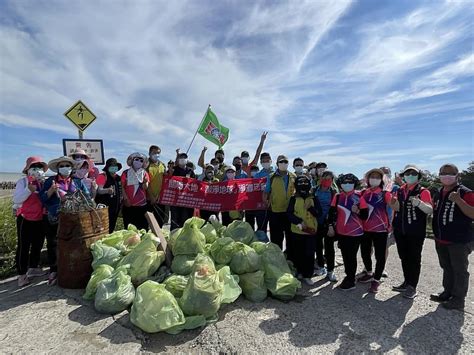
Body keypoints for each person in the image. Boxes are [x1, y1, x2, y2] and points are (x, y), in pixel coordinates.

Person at [430, 163, 474, 310]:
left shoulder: (465, 193)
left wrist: (459, 201)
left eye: (450, 173)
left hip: (459, 240)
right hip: (441, 238)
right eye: (443, 173)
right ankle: (447, 292)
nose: (446, 176)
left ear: (457, 175)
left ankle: (458, 299)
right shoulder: (438, 192)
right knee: (446, 267)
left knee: (459, 270)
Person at [40, 156, 89, 285]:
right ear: (57, 169)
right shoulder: (50, 181)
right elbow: (42, 198)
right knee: (53, 244)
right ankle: (54, 270)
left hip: (74, 217)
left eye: (67, 165)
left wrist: (87, 194)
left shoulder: (78, 181)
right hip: (54, 217)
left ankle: (70, 267)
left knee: (73, 242)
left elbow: (87, 196)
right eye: (62, 166)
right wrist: (51, 191)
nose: (65, 168)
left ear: (72, 167)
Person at [389, 165, 432, 299]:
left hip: (415, 231)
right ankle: (407, 282)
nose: (410, 176)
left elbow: (430, 210)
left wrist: (420, 204)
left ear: (418, 177)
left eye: (413, 173)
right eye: (407, 173)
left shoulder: (423, 191)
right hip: (400, 229)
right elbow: (396, 208)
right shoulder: (400, 190)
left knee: (414, 258)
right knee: (404, 257)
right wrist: (393, 203)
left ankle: (412, 286)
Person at [328, 174, 368, 291]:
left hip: (355, 233)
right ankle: (348, 276)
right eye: (344, 182)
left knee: (351, 256)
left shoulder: (359, 196)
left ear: (354, 184)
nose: (347, 184)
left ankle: (351, 279)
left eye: (350, 182)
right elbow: (331, 213)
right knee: (345, 256)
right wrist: (330, 226)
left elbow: (365, 216)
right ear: (340, 184)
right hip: (341, 232)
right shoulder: (337, 196)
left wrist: (358, 211)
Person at [13, 157, 48, 287]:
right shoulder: (22, 182)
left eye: (39, 167)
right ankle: (22, 275)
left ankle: (33, 267)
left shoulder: (42, 182)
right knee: (23, 246)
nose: (37, 170)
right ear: (27, 169)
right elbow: (17, 199)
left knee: (38, 244)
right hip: (25, 218)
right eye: (34, 167)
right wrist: (29, 190)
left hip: (39, 217)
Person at [357, 168, 392, 293]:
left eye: (378, 177)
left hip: (381, 230)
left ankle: (376, 280)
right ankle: (369, 272)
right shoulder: (362, 193)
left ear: (382, 180)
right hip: (364, 229)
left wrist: (395, 203)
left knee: (380, 256)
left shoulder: (385, 194)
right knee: (365, 253)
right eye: (372, 176)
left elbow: (395, 206)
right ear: (368, 179)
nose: (375, 179)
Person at [287, 175, 322, 285]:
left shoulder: (314, 198)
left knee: (309, 253)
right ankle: (299, 272)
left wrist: (311, 208)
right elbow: (289, 213)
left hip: (310, 231)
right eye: (300, 184)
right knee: (298, 252)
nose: (303, 186)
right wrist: (298, 221)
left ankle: (308, 275)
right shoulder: (293, 198)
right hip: (297, 230)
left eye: (305, 184)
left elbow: (319, 213)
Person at [263, 155, 296, 251]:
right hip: (275, 212)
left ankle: (289, 258)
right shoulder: (271, 176)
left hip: (290, 212)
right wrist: (266, 201)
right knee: (276, 238)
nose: (283, 164)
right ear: (277, 164)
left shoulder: (293, 176)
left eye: (285, 162)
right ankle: (278, 257)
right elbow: (266, 191)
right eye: (281, 162)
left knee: (290, 237)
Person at [313, 170, 338, 282]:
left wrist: (332, 224)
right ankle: (321, 266)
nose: (326, 181)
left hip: (329, 224)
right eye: (324, 178)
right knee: (318, 246)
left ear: (332, 181)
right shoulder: (314, 190)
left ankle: (330, 271)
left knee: (329, 248)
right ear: (320, 178)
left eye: (329, 179)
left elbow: (336, 210)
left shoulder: (334, 193)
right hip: (316, 222)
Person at [121, 153, 150, 231]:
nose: (138, 162)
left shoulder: (144, 173)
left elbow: (145, 187)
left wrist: (145, 182)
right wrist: (126, 199)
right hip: (129, 205)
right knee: (129, 228)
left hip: (142, 205)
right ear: (132, 161)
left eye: (141, 160)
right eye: (136, 159)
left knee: (142, 228)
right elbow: (122, 187)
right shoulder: (125, 173)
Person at [95, 158, 122, 233]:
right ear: (107, 167)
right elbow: (99, 191)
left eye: (115, 166)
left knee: (112, 226)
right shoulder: (102, 176)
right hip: (104, 207)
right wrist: (107, 190)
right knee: (104, 226)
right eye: (111, 166)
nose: (114, 168)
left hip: (116, 207)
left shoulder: (118, 178)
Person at [170, 151, 196, 230]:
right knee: (175, 219)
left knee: (185, 220)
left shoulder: (190, 171)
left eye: (184, 158)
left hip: (186, 200)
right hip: (175, 199)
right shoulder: (174, 170)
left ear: (187, 160)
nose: (183, 159)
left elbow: (195, 184)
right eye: (181, 158)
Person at [147, 145, 167, 227]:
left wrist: (159, 196)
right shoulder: (146, 164)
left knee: (159, 223)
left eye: (158, 153)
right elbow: (145, 182)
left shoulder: (162, 165)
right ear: (149, 153)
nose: (156, 154)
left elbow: (165, 181)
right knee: (146, 223)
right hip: (148, 198)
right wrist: (151, 196)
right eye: (154, 153)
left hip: (160, 198)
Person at [255, 152, 274, 234]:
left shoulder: (277, 172)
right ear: (261, 162)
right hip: (262, 206)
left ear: (271, 161)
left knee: (275, 230)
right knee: (262, 229)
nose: (266, 162)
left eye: (267, 160)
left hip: (275, 206)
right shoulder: (257, 175)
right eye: (264, 161)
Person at [245, 165, 261, 229]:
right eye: (252, 170)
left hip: (259, 207)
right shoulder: (246, 181)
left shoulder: (261, 181)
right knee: (249, 227)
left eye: (256, 170)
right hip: (249, 207)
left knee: (260, 226)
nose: (254, 172)